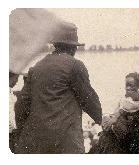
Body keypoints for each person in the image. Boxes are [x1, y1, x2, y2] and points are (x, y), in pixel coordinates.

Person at [14, 25, 102, 154]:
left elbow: (22, 103)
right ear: (73, 47)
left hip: (34, 142)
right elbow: (89, 99)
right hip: (65, 143)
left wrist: (22, 130)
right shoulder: (75, 65)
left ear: (55, 44)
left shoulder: (37, 67)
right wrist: (100, 119)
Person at [91, 72, 139, 154]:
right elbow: (116, 113)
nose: (128, 88)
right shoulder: (124, 99)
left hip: (132, 138)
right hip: (119, 135)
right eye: (126, 85)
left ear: (138, 86)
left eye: (131, 85)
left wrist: (126, 118)